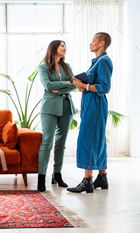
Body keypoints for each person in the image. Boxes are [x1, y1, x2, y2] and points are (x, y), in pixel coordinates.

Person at [68, 32, 113, 193]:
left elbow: (104, 87)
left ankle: (87, 180)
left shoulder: (103, 61)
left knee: (88, 139)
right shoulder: (97, 62)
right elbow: (94, 84)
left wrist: (85, 85)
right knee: (97, 139)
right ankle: (102, 177)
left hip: (95, 105)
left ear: (101, 43)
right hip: (91, 104)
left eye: (93, 41)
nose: (90, 43)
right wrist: (82, 85)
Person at [37, 40, 76, 192]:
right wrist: (65, 84)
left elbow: (74, 84)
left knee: (61, 142)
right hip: (49, 108)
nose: (65, 48)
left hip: (67, 106)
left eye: (65, 45)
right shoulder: (44, 67)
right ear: (54, 48)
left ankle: (57, 174)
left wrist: (60, 89)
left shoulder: (67, 66)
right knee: (47, 141)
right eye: (62, 45)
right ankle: (41, 177)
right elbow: (47, 85)